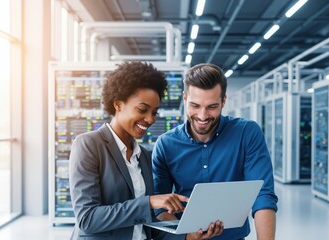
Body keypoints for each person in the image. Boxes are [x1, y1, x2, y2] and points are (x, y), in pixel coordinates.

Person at [69, 61, 223, 240]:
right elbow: (88, 219)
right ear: (118, 104)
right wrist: (148, 202)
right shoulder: (89, 145)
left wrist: (187, 236)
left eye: (154, 112)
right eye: (142, 110)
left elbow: (146, 224)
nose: (150, 119)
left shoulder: (144, 156)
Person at [152, 63, 278, 240]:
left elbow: (263, 195)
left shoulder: (247, 133)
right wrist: (187, 236)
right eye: (195, 106)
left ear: (223, 101)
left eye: (212, 106)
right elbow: (160, 207)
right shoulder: (166, 144)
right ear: (184, 98)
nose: (202, 116)